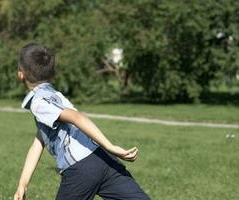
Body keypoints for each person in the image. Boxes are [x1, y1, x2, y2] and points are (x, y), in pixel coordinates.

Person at [13, 43, 151, 200]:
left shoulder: (39, 102)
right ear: (53, 73)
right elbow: (39, 141)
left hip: (81, 167)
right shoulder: (53, 95)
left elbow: (77, 117)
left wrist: (111, 146)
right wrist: (23, 183)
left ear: (20, 74)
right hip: (102, 159)